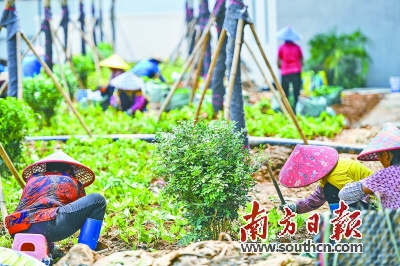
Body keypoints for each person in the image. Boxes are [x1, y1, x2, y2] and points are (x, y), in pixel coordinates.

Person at [5, 151, 106, 251]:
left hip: (16, 228)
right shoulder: (70, 179)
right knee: (98, 200)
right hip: (46, 226)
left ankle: (49, 248)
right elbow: (81, 211)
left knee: (46, 210)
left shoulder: (33, 179)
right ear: (69, 169)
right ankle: (86, 249)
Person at [279, 145, 374, 213]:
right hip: (367, 198)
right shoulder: (331, 171)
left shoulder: (335, 176)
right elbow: (318, 197)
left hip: (375, 202)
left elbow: (360, 193)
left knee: (330, 191)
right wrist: (296, 207)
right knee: (328, 190)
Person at [339, 123, 400, 209]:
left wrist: (370, 191)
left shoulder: (387, 174)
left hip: (394, 220)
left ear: (385, 155)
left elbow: (344, 194)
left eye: (379, 156)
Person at [277, 26, 303, 109]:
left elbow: (278, 61)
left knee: (285, 92)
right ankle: (295, 108)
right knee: (296, 91)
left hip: (285, 72)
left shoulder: (281, 48)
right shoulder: (297, 47)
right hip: (296, 71)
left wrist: (280, 68)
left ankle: (286, 108)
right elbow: (302, 60)